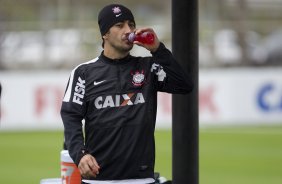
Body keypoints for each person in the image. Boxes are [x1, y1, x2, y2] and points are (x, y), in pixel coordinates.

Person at [61, 4, 193, 184]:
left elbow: (184, 85)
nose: (128, 30)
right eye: (120, 25)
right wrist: (80, 155)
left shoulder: (148, 67)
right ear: (105, 34)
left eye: (131, 25)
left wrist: (157, 49)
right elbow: (71, 118)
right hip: (98, 180)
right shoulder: (83, 73)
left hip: (141, 180)